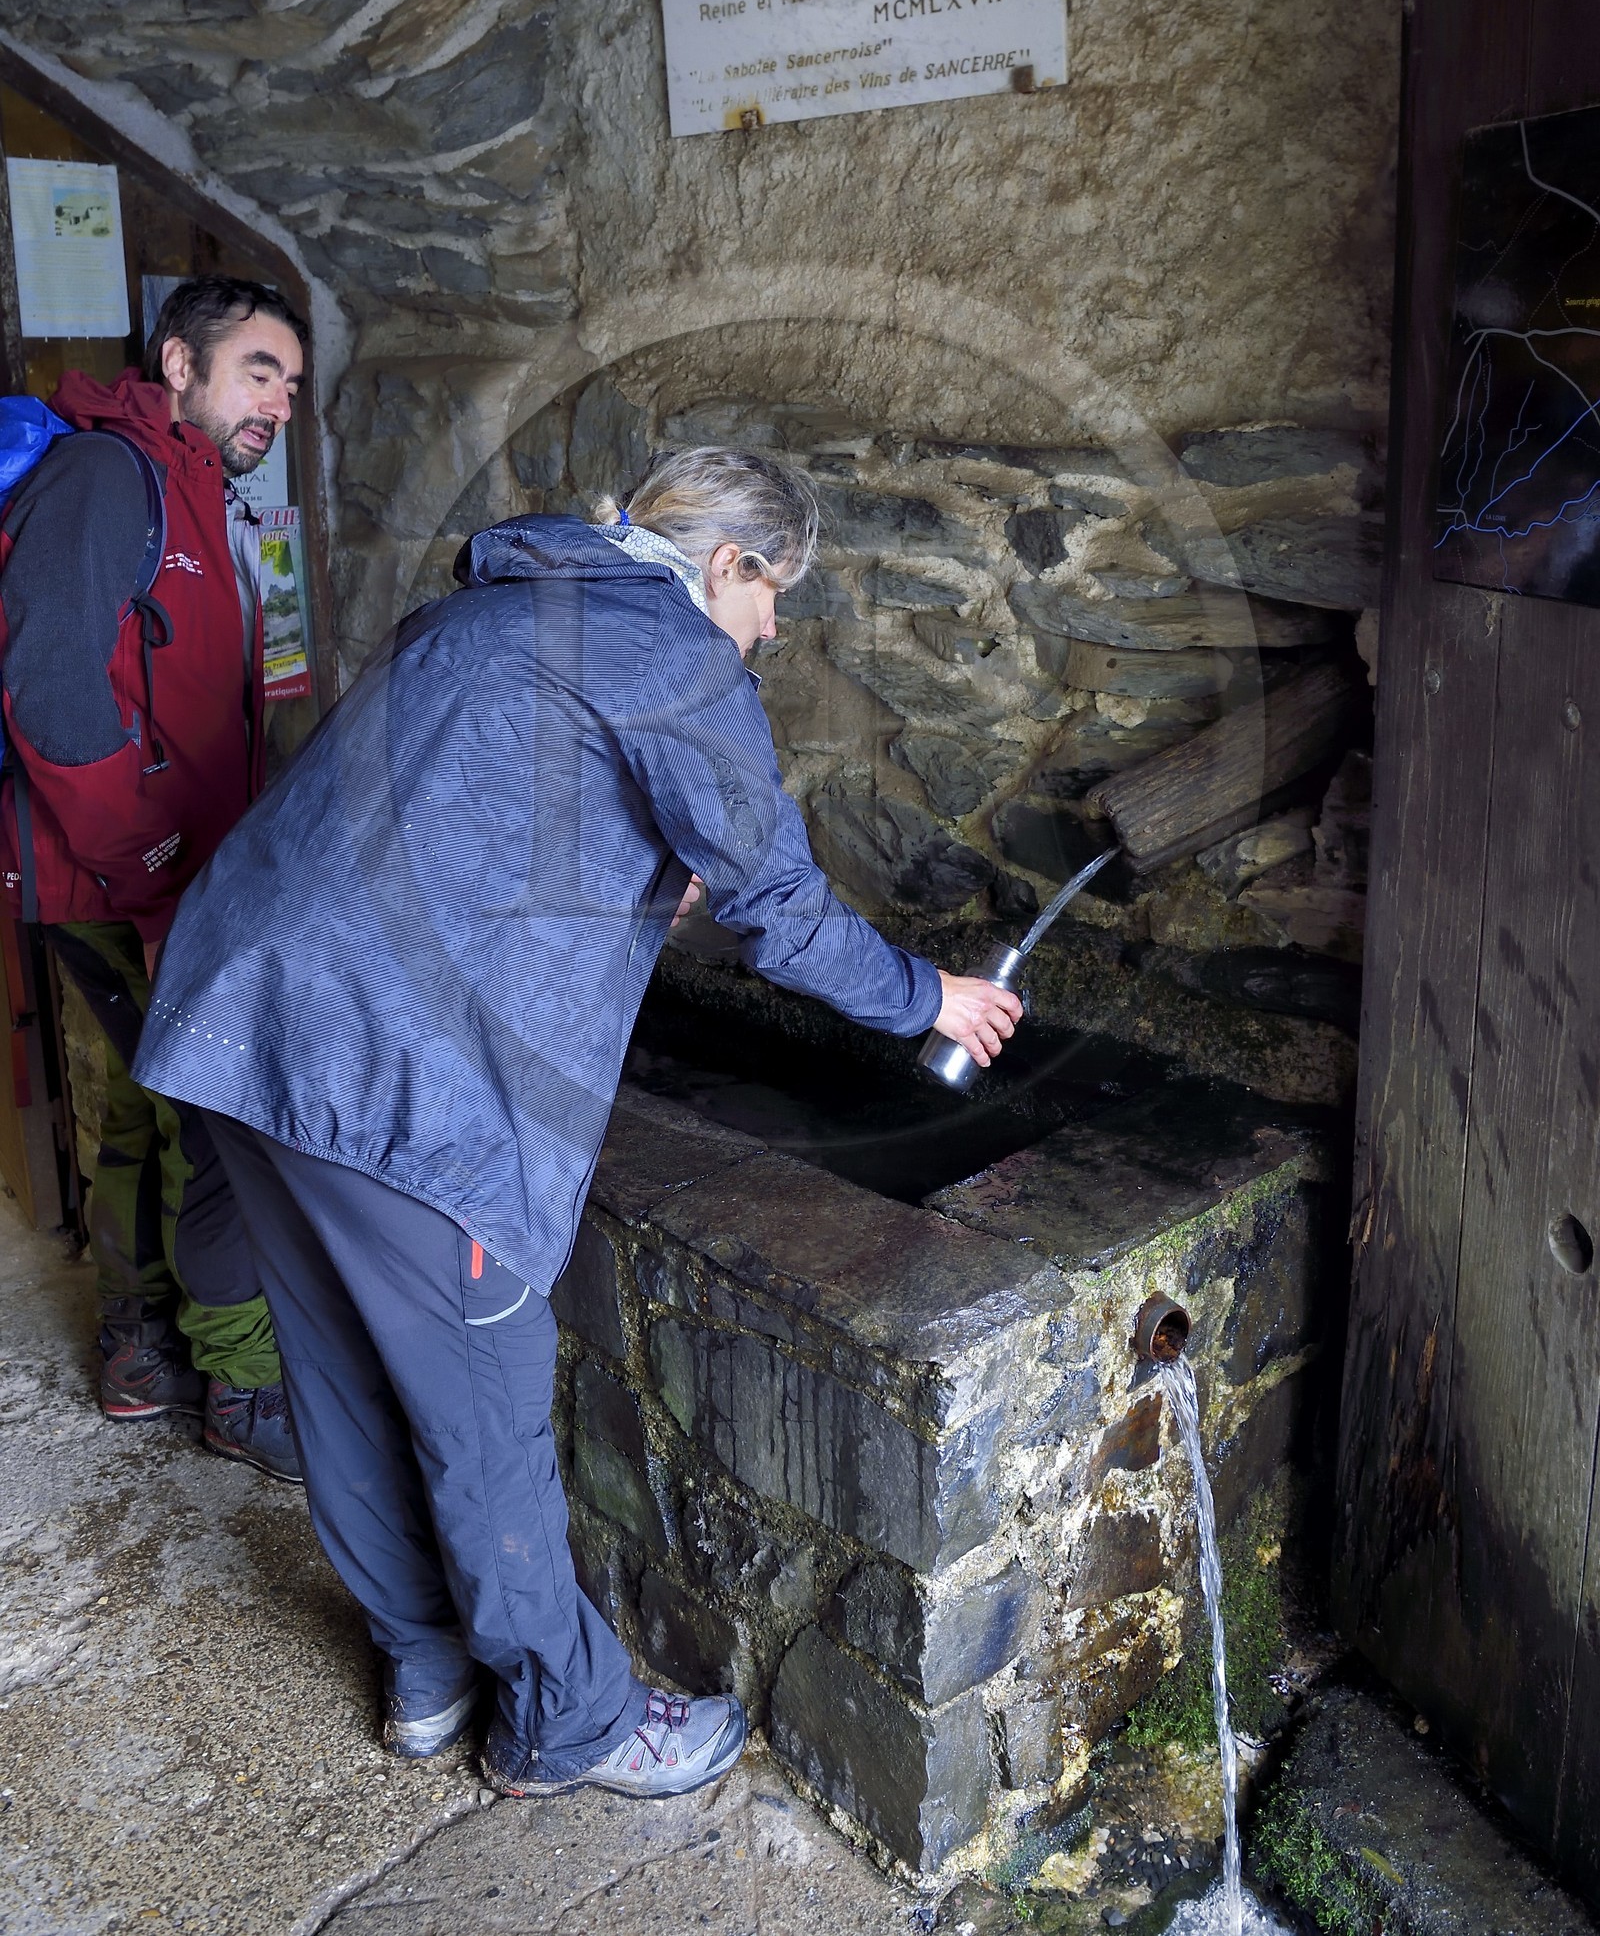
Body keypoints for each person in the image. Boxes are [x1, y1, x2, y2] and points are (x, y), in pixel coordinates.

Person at [132, 447, 1021, 1798]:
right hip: (392, 1065)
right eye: (775, 592)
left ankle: (426, 1669)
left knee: (340, 1370)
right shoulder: (673, 651)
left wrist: (629, 878)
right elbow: (778, 904)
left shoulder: (499, 607)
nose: (774, 627)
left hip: (240, 1011)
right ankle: (570, 1716)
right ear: (729, 563)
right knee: (486, 1404)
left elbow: (473, 813)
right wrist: (928, 996)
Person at [0, 276, 307, 1481]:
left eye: (289, 384)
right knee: (215, 1120)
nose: (278, 403)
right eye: (257, 371)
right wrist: (151, 864)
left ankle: (141, 1350)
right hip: (120, 875)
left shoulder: (201, 496)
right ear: (178, 363)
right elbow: (52, 693)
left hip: (172, 876)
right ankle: (238, 1377)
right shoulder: (103, 480)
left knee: (143, 1099)